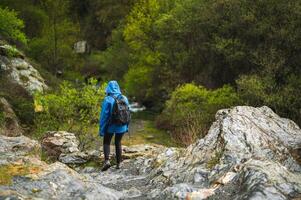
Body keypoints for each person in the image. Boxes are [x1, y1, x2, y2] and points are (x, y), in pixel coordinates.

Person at [99, 80, 130, 171]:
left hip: (111, 126)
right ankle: (119, 163)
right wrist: (126, 126)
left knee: (106, 142)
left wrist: (102, 129)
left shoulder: (107, 99)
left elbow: (104, 116)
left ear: (108, 88)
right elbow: (128, 114)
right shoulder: (124, 98)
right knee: (118, 142)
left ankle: (107, 161)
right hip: (122, 125)